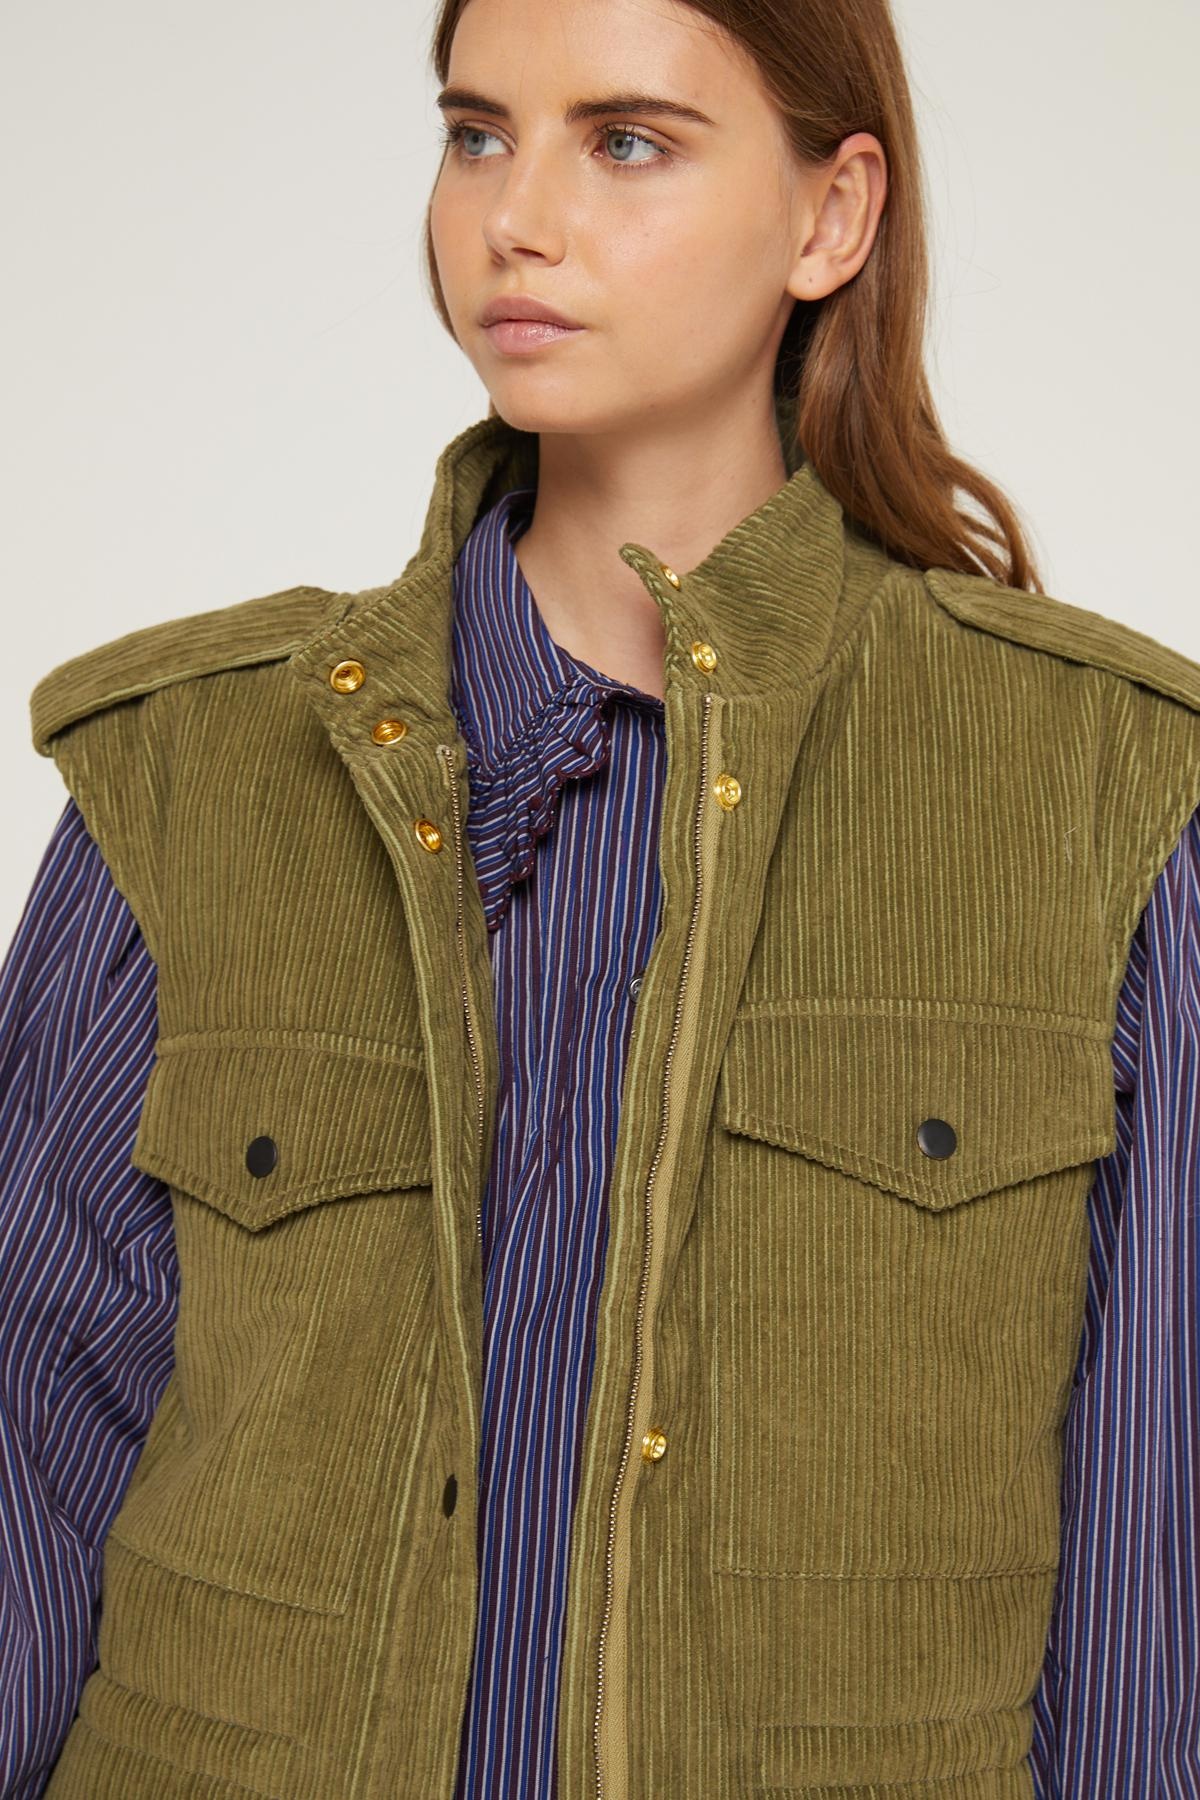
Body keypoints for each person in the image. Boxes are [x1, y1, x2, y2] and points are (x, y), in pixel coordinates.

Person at [3, 0, 1198, 1795]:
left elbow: (1148, 1597)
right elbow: (29, 1448)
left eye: (626, 141)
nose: (516, 219)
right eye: (476, 134)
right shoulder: (190, 770)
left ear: (833, 216)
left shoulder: (1103, 788)